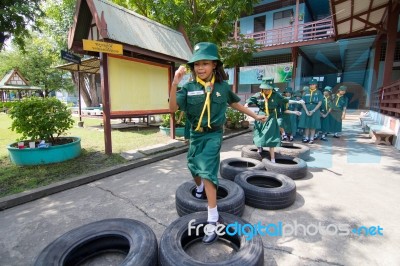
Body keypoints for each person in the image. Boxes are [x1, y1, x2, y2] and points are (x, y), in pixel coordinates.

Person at [169, 42, 266, 244]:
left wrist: (255, 116)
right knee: (193, 167)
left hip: (213, 135)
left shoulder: (222, 87)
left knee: (207, 172)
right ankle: (199, 189)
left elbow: (235, 103)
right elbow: (172, 108)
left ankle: (213, 219)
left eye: (205, 63)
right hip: (195, 135)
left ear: (214, 65)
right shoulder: (189, 87)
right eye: (197, 64)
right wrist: (174, 83)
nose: (200, 68)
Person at [245, 78, 302, 163]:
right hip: (261, 116)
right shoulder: (258, 95)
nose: (267, 90)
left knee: (271, 137)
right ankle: (259, 148)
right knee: (258, 133)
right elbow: (249, 101)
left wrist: (297, 102)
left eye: (269, 88)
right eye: (265, 88)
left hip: (271, 117)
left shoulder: (276, 95)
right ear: (262, 88)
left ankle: (272, 158)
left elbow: (285, 100)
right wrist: (246, 105)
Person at [298, 79, 323, 144]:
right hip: (306, 108)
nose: (311, 86)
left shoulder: (319, 92)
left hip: (315, 109)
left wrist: (313, 110)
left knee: (313, 125)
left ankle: (311, 138)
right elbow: (302, 102)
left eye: (313, 84)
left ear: (316, 85)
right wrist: (306, 111)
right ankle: (306, 137)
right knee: (306, 124)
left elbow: (320, 102)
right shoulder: (305, 92)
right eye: (310, 84)